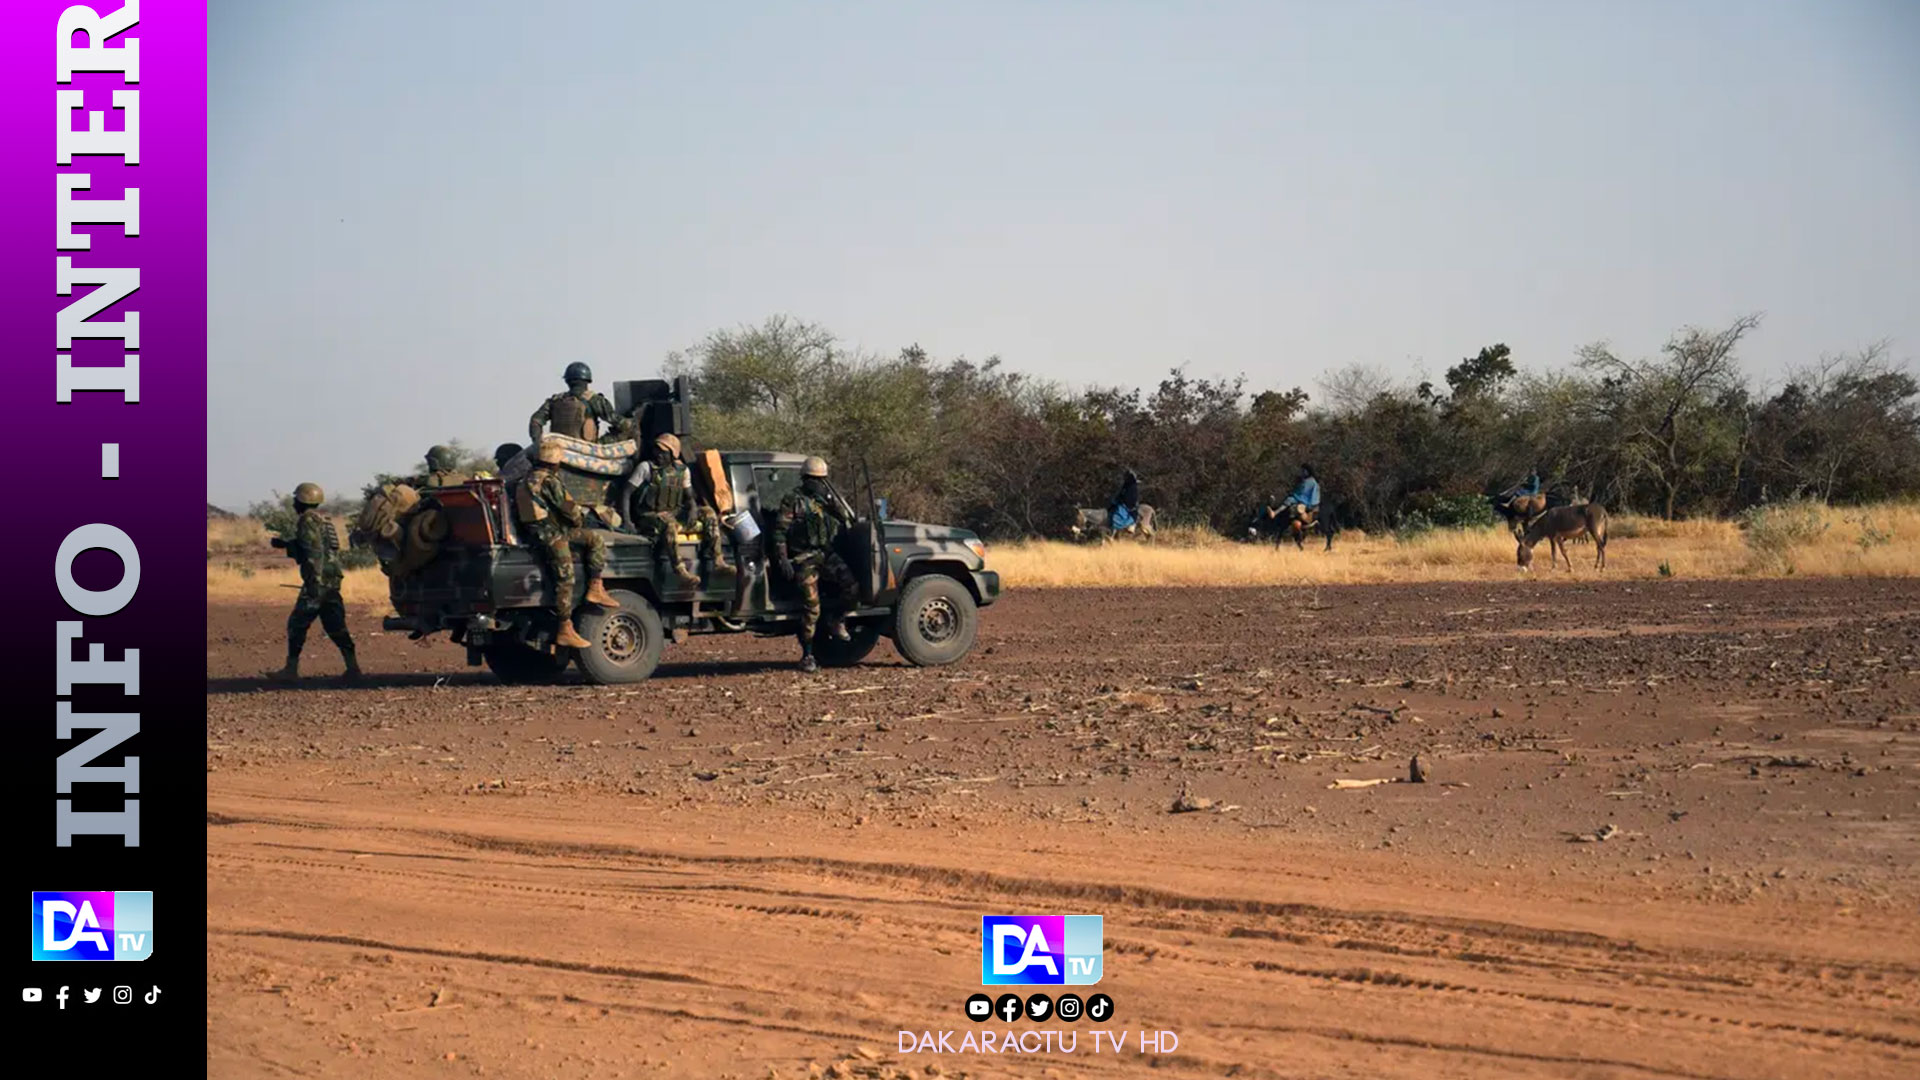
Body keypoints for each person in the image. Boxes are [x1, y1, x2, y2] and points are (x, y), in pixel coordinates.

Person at [517, 437, 620, 650]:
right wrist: (579, 519)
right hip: (552, 536)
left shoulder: (525, 479)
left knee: (593, 539)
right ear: (555, 463)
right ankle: (565, 628)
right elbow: (570, 510)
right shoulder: (549, 482)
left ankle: (595, 588)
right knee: (566, 578)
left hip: (536, 533)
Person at [266, 482, 360, 682]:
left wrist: (313, 583)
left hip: (318, 582)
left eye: (296, 499)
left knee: (296, 624)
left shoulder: (307, 520)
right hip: (332, 580)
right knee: (336, 625)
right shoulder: (324, 520)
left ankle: (290, 670)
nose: (293, 503)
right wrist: (286, 544)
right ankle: (353, 668)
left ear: (302, 500)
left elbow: (314, 552)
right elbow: (322, 548)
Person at [772, 456, 857, 673]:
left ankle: (836, 619)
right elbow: (780, 532)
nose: (817, 483)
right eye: (814, 479)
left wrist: (831, 500)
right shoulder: (793, 500)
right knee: (811, 607)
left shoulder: (825, 501)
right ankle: (807, 654)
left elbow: (845, 518)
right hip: (803, 558)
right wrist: (783, 559)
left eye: (821, 480)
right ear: (805, 479)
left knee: (852, 587)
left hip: (825, 554)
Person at [626, 432, 729, 585]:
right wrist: (628, 521)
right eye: (657, 450)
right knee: (670, 525)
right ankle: (679, 569)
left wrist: (693, 509)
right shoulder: (646, 468)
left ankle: (718, 560)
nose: (658, 454)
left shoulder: (682, 471)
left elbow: (689, 496)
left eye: (663, 452)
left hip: (674, 512)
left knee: (708, 512)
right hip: (650, 515)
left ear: (673, 454)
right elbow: (626, 493)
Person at [528, 362, 625, 445]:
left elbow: (535, 421)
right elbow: (620, 423)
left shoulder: (554, 401)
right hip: (587, 448)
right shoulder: (595, 400)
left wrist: (539, 443)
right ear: (587, 380)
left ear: (567, 381)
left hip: (559, 447)